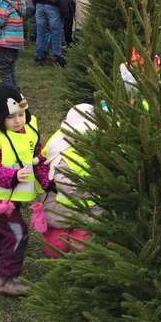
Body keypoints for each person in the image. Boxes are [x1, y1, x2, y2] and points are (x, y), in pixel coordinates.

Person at [0, 83, 50, 297]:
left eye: (21, 114)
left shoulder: (30, 130)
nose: (18, 121)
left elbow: (38, 160)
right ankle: (6, 279)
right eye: (11, 117)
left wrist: (47, 182)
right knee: (17, 233)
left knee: (4, 230)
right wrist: (12, 176)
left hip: (12, 196)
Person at [39, 104, 99, 257]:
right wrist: (94, 187)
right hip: (62, 208)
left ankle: (80, 240)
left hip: (89, 210)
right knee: (55, 246)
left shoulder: (101, 148)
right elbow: (66, 185)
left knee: (82, 246)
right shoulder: (61, 151)